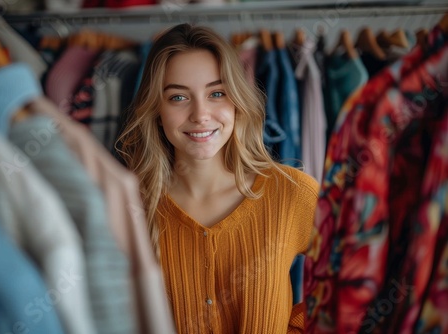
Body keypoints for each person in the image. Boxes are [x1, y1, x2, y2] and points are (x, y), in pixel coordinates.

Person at [117, 23, 319, 333]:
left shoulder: (292, 194)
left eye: (216, 93)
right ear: (156, 109)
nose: (200, 114)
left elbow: (357, 274)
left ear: (237, 100)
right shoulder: (127, 207)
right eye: (178, 98)